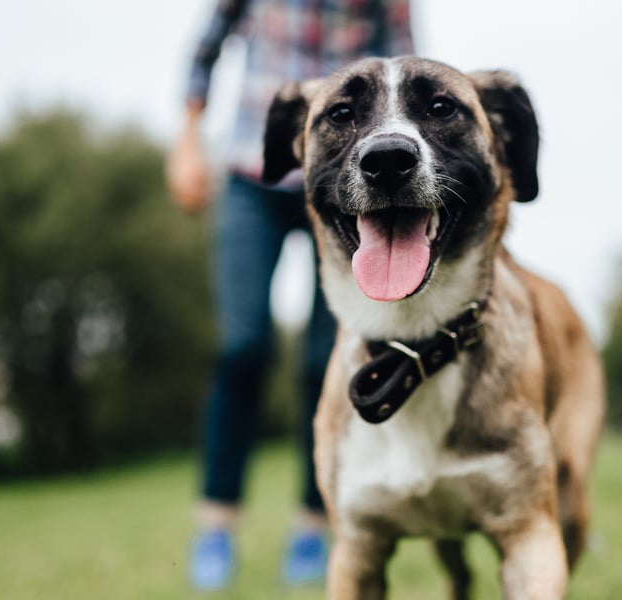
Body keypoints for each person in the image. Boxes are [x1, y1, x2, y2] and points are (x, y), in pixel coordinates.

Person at [167, 0, 415, 590]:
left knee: (324, 360)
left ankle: (311, 523)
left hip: (341, 172)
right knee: (242, 347)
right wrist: (186, 140)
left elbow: (403, 67)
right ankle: (216, 525)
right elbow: (207, 47)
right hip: (251, 170)